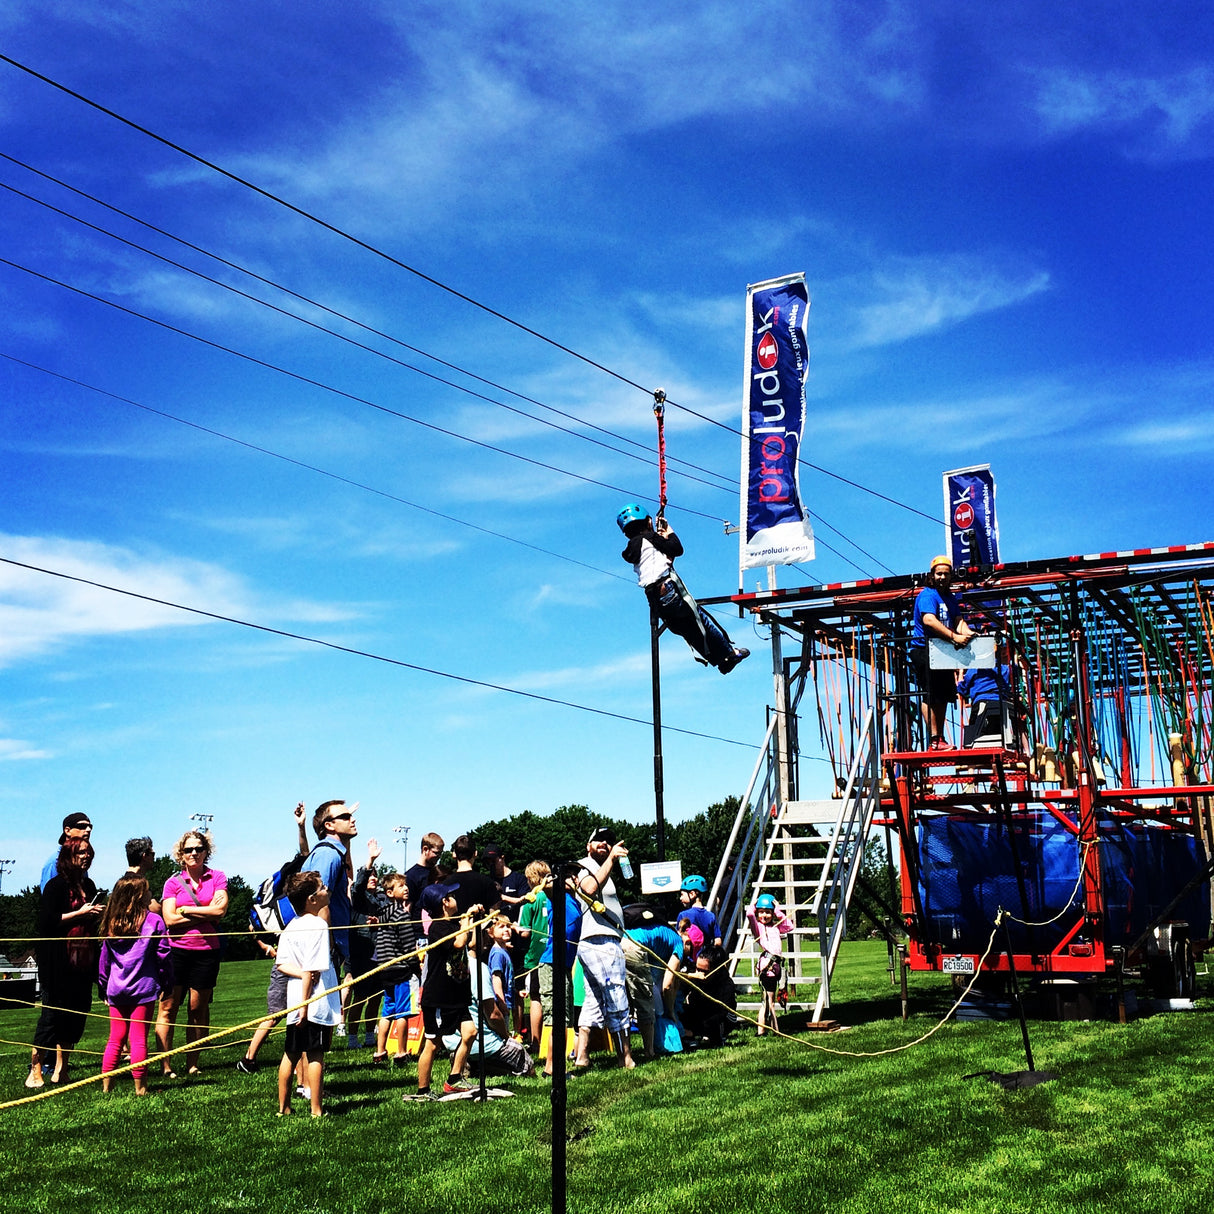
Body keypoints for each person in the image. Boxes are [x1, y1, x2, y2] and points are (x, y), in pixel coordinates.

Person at [617, 503, 750, 674]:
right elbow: (677, 549)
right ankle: (729, 653)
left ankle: (720, 660)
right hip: (668, 590)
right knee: (701, 620)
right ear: (648, 522)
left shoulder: (633, 549)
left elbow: (659, 559)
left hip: (654, 600)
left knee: (687, 630)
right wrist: (668, 531)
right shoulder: (650, 538)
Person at [237, 802, 311, 1074]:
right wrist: (268, 949)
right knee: (278, 1013)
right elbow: (253, 928)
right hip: (286, 960)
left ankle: (295, 1069)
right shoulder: (286, 895)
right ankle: (248, 1058)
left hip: (291, 957)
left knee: (292, 1012)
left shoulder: (285, 895)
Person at [26, 839, 100, 1088]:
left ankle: (62, 1069)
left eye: (89, 853)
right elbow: (47, 922)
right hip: (57, 963)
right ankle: (35, 1070)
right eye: (81, 853)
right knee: (51, 1017)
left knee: (75, 1017)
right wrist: (80, 913)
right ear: (68, 857)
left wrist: (95, 914)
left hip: (83, 962)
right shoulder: (55, 886)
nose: (86, 857)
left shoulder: (88, 885)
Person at [156, 829, 228, 1077]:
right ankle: (165, 1065)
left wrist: (185, 910)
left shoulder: (217, 877)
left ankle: (192, 1064)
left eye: (199, 848)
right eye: (189, 849)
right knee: (168, 1008)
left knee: (198, 1010)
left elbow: (220, 911)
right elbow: (169, 919)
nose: (194, 853)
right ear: (181, 854)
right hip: (175, 952)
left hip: (207, 952)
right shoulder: (172, 883)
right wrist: (204, 913)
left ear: (206, 851)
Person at [275, 871, 344, 1117]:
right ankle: (316, 1109)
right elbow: (311, 969)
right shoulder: (318, 925)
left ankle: (283, 1108)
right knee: (316, 1054)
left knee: (291, 1053)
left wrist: (301, 984)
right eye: (322, 887)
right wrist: (304, 1006)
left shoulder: (291, 925)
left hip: (296, 1000)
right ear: (311, 900)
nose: (327, 890)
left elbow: (282, 964)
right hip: (313, 1002)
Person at [98, 874, 172, 1095]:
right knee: (138, 1038)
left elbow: (104, 961)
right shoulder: (154, 921)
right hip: (143, 989)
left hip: (116, 989)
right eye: (147, 891)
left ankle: (106, 1087)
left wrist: (102, 985)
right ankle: (141, 1088)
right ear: (139, 896)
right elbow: (164, 956)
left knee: (115, 1038)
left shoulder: (112, 923)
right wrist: (167, 982)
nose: (151, 894)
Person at [406, 884, 482, 1100]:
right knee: (433, 1043)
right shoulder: (438, 928)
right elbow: (459, 943)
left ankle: (454, 1079)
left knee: (470, 1032)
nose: (455, 898)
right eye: (451, 896)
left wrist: (474, 921)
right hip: (439, 997)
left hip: (456, 994)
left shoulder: (453, 924)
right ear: (444, 903)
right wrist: (466, 920)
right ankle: (423, 1090)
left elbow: (471, 943)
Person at [574, 827, 635, 1069]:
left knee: (594, 1000)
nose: (604, 844)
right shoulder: (583, 866)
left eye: (608, 842)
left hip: (602, 940)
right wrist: (611, 859)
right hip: (599, 940)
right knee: (615, 993)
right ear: (588, 846)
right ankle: (625, 1057)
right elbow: (589, 889)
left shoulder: (603, 868)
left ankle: (582, 1057)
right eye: (598, 840)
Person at [909, 554, 973, 749]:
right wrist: (954, 637)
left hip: (942, 650)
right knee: (930, 694)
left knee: (943, 694)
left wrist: (969, 634)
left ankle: (939, 738)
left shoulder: (949, 598)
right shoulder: (928, 595)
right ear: (932, 575)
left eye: (946, 574)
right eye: (939, 574)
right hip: (924, 649)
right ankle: (935, 738)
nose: (942, 577)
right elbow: (929, 620)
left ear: (951, 575)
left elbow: (958, 621)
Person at [622, 903, 684, 1058]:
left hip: (620, 942)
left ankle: (624, 1053)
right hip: (634, 948)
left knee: (624, 1004)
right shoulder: (679, 944)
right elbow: (667, 985)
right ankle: (650, 1051)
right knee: (645, 1001)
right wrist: (670, 1011)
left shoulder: (664, 936)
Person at [371, 872, 420, 1064]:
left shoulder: (382, 914)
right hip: (401, 969)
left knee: (387, 1011)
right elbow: (408, 946)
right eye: (400, 886)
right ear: (390, 893)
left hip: (384, 968)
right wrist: (416, 966)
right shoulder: (401, 915)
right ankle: (401, 1052)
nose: (406, 888)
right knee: (403, 1012)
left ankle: (380, 1051)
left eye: (405, 885)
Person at [302, 799, 358, 966]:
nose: (353, 819)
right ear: (329, 825)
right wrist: (328, 946)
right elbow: (319, 902)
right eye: (345, 817)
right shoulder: (328, 854)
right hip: (322, 949)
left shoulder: (333, 852)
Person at [483, 843, 531, 1036]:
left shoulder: (518, 879)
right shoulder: (489, 880)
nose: (491, 865)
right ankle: (500, 1028)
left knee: (517, 988)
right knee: (497, 983)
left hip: (516, 940)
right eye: (487, 862)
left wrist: (501, 897)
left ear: (502, 858)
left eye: (493, 860)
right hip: (496, 941)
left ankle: (518, 1030)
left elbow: (524, 900)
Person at [347, 838, 387, 1048]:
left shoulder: (383, 900)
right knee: (360, 997)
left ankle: (370, 1035)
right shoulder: (358, 897)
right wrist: (370, 861)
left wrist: (381, 921)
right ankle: (352, 1038)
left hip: (380, 955)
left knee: (376, 998)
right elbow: (358, 885)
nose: (373, 878)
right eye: (370, 875)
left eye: (375, 875)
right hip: (362, 955)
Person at [746, 893, 793, 1037]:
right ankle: (772, 1030)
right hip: (768, 967)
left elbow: (790, 926)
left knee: (769, 1001)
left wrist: (778, 911)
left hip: (777, 967)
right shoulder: (758, 928)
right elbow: (749, 915)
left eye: (767, 912)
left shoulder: (776, 927)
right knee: (769, 1001)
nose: (764, 915)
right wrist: (754, 905)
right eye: (761, 912)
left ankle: (765, 1030)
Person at [517, 860, 551, 1053]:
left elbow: (524, 932)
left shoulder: (530, 900)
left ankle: (536, 1042)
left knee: (536, 997)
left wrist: (515, 927)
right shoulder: (556, 896)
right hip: (556, 952)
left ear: (530, 879)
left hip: (536, 955)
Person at [679, 943, 737, 1048]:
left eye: (703, 971)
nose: (699, 973)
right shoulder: (694, 974)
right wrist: (689, 978)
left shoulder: (726, 984)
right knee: (679, 1010)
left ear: (715, 970)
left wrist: (696, 1030)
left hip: (722, 1017)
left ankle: (708, 1036)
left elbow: (724, 1012)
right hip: (701, 1012)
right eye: (697, 969)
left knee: (713, 1021)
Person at [404, 832, 444, 938]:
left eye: (441, 853)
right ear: (425, 849)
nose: (439, 857)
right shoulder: (411, 876)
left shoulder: (438, 872)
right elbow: (407, 907)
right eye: (436, 853)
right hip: (418, 933)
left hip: (437, 930)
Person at [40, 812, 92, 891]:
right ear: (67, 831)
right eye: (82, 826)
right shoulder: (54, 862)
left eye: (90, 826)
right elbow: (48, 894)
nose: (88, 829)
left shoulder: (82, 860)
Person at [676, 875, 722, 946]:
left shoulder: (683, 915)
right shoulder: (711, 916)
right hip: (706, 952)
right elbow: (718, 941)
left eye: (682, 894)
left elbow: (677, 939)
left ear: (692, 894)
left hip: (689, 953)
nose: (680, 898)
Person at [122, 837, 161, 914]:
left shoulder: (123, 882)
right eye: (152, 854)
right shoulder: (137, 883)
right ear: (144, 856)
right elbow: (155, 909)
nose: (154, 858)